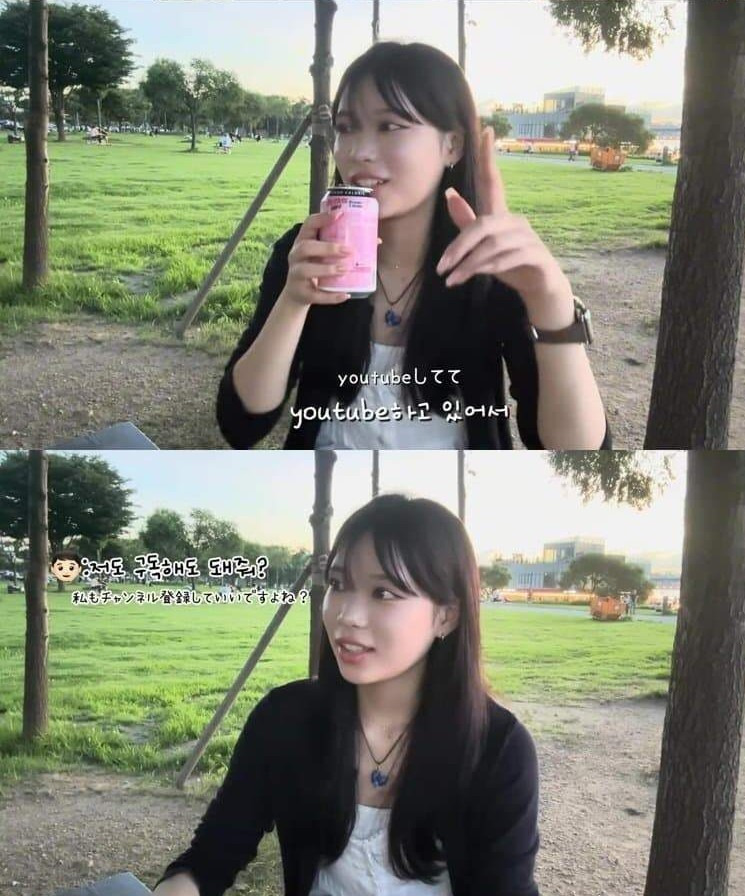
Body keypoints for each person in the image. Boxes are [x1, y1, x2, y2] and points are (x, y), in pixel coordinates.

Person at [217, 41, 611, 450]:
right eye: (346, 127)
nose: (357, 151)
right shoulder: (307, 253)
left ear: (452, 145)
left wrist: (550, 301)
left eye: (389, 126)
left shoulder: (492, 267)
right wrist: (293, 302)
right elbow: (241, 424)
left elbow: (577, 453)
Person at [152, 494, 540, 896]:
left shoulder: (497, 750)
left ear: (447, 615)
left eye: (384, 593)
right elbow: (210, 858)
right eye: (338, 584)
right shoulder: (284, 720)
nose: (346, 615)